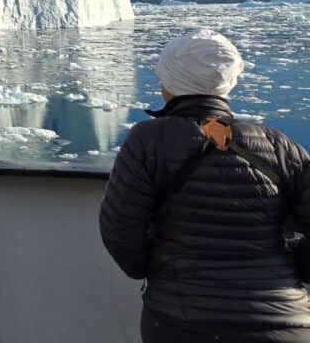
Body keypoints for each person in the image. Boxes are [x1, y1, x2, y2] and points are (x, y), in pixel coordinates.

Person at [100, 28, 310, 343]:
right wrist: (289, 267)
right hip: (285, 322)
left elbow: (119, 230)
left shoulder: (149, 140)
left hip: (182, 321)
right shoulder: (280, 145)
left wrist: (154, 268)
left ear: (172, 85)